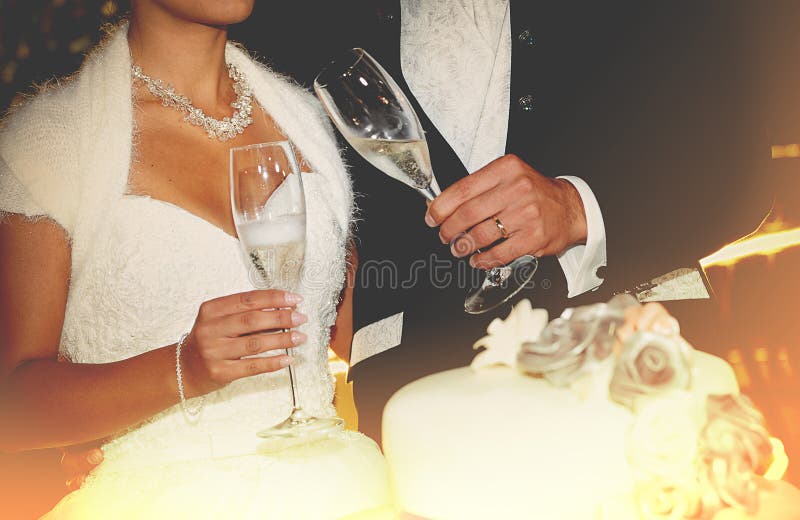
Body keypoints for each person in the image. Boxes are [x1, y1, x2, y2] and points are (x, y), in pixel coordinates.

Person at [0, 1, 390, 518]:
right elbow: (12, 409)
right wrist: (179, 369)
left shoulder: (309, 120)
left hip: (335, 491)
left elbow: (343, 334)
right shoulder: (50, 140)